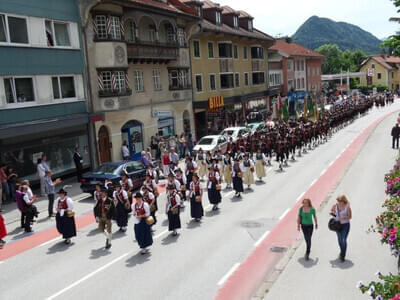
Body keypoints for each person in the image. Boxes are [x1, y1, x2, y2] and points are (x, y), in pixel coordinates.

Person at [330, 195, 352, 262]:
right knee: (339, 240)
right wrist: (333, 214)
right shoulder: (335, 206)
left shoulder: (347, 207)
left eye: (340, 201)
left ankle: (343, 255)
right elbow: (331, 211)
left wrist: (343, 218)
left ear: (343, 201)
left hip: (345, 225)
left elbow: (350, 217)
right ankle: (342, 251)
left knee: (343, 239)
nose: (339, 202)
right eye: (338, 201)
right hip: (337, 225)